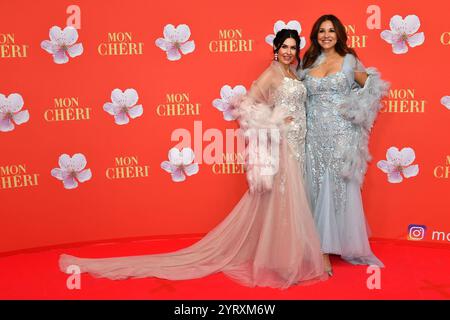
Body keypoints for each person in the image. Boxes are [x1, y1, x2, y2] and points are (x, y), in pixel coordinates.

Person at [59, 29, 328, 289]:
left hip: (299, 142)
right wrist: (273, 122)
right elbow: (248, 105)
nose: (289, 52)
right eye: (285, 47)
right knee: (280, 202)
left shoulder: (291, 72)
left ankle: (289, 257)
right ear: (276, 48)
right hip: (282, 144)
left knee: (292, 200)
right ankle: (282, 263)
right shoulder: (271, 74)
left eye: (293, 48)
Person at [300, 15, 389, 275]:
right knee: (315, 186)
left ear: (339, 34)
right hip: (313, 136)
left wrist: (355, 112)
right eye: (321, 31)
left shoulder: (350, 61)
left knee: (336, 188)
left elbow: (373, 88)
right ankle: (317, 248)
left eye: (331, 31)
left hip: (341, 136)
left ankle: (327, 251)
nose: (326, 35)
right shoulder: (308, 62)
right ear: (315, 35)